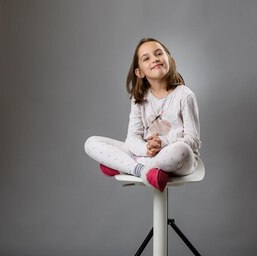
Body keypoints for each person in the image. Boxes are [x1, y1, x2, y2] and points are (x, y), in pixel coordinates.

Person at [84, 37, 200, 192]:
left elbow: (193, 140)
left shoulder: (185, 96)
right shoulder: (139, 98)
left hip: (177, 158)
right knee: (91, 142)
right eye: (147, 58)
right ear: (139, 72)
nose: (155, 59)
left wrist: (162, 143)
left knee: (181, 150)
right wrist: (147, 149)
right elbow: (132, 138)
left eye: (159, 54)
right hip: (145, 154)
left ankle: (125, 166)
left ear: (169, 59)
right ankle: (143, 171)